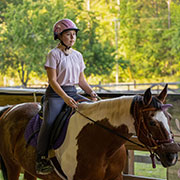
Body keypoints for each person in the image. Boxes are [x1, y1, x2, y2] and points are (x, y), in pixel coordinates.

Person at [35, 19, 97, 175]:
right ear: (59, 36)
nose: (72, 38)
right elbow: (52, 81)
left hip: (73, 92)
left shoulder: (78, 55)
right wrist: (64, 98)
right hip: (56, 95)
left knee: (94, 113)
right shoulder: (53, 54)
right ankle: (41, 158)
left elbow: (81, 80)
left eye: (74, 34)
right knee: (48, 123)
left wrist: (91, 93)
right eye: (68, 34)